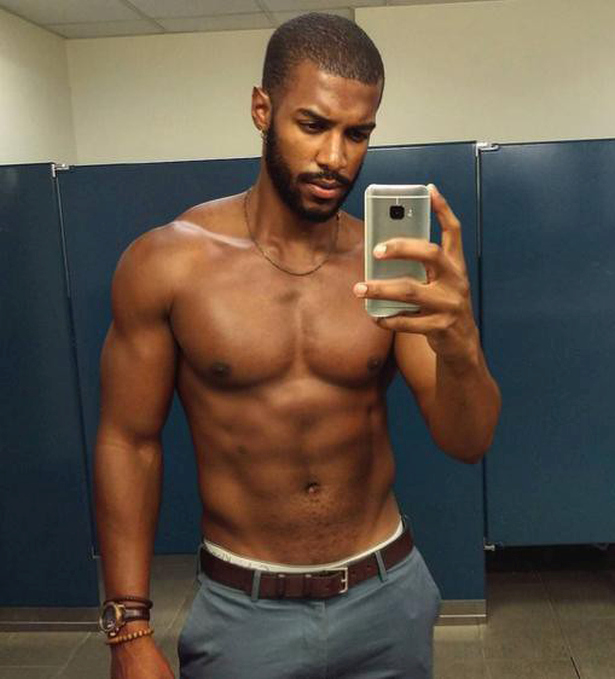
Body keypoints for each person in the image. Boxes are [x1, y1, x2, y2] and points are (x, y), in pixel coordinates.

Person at [94, 12, 501, 679]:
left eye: (357, 133)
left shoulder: (386, 267)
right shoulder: (169, 263)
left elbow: (468, 439)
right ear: (263, 109)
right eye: (312, 125)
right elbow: (127, 442)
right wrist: (128, 628)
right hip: (244, 611)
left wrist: (461, 344)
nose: (335, 157)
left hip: (386, 597)